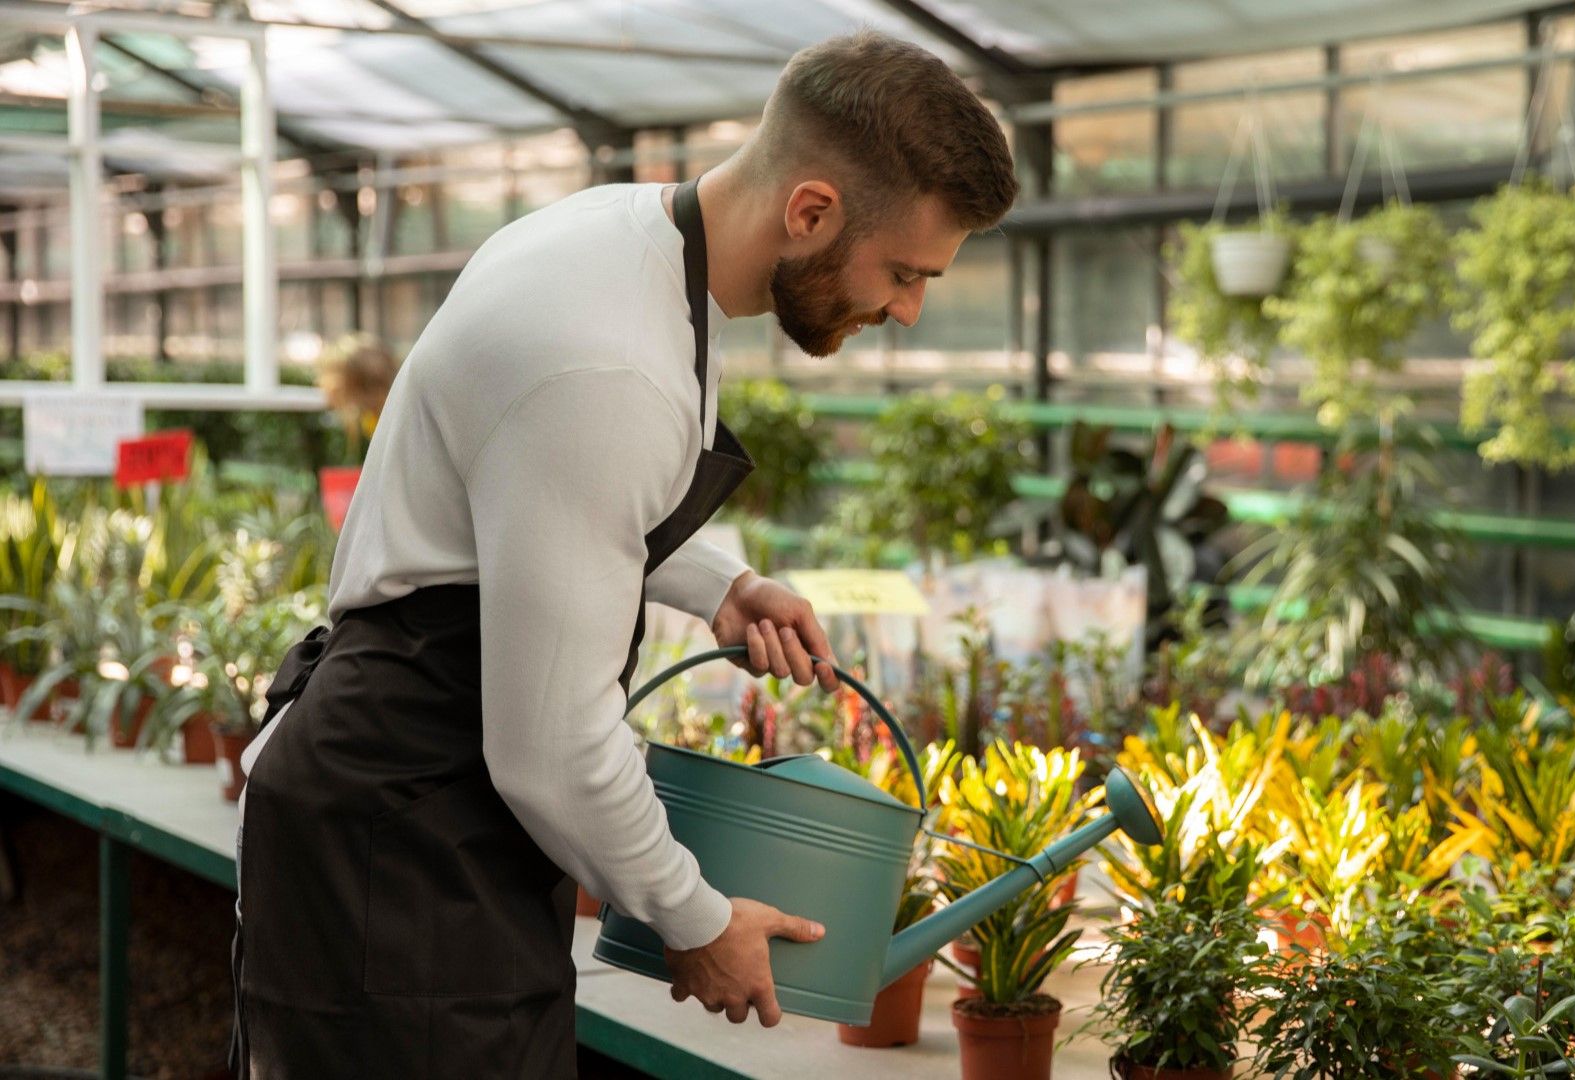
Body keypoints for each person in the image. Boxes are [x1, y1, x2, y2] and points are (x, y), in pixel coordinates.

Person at [228, 29, 1018, 1079]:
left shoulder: (619, 239)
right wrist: (696, 917)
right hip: (400, 838)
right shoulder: (610, 361)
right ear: (812, 211)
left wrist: (721, 583)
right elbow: (551, 748)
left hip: (427, 805)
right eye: (904, 271)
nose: (909, 308)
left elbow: (531, 495)